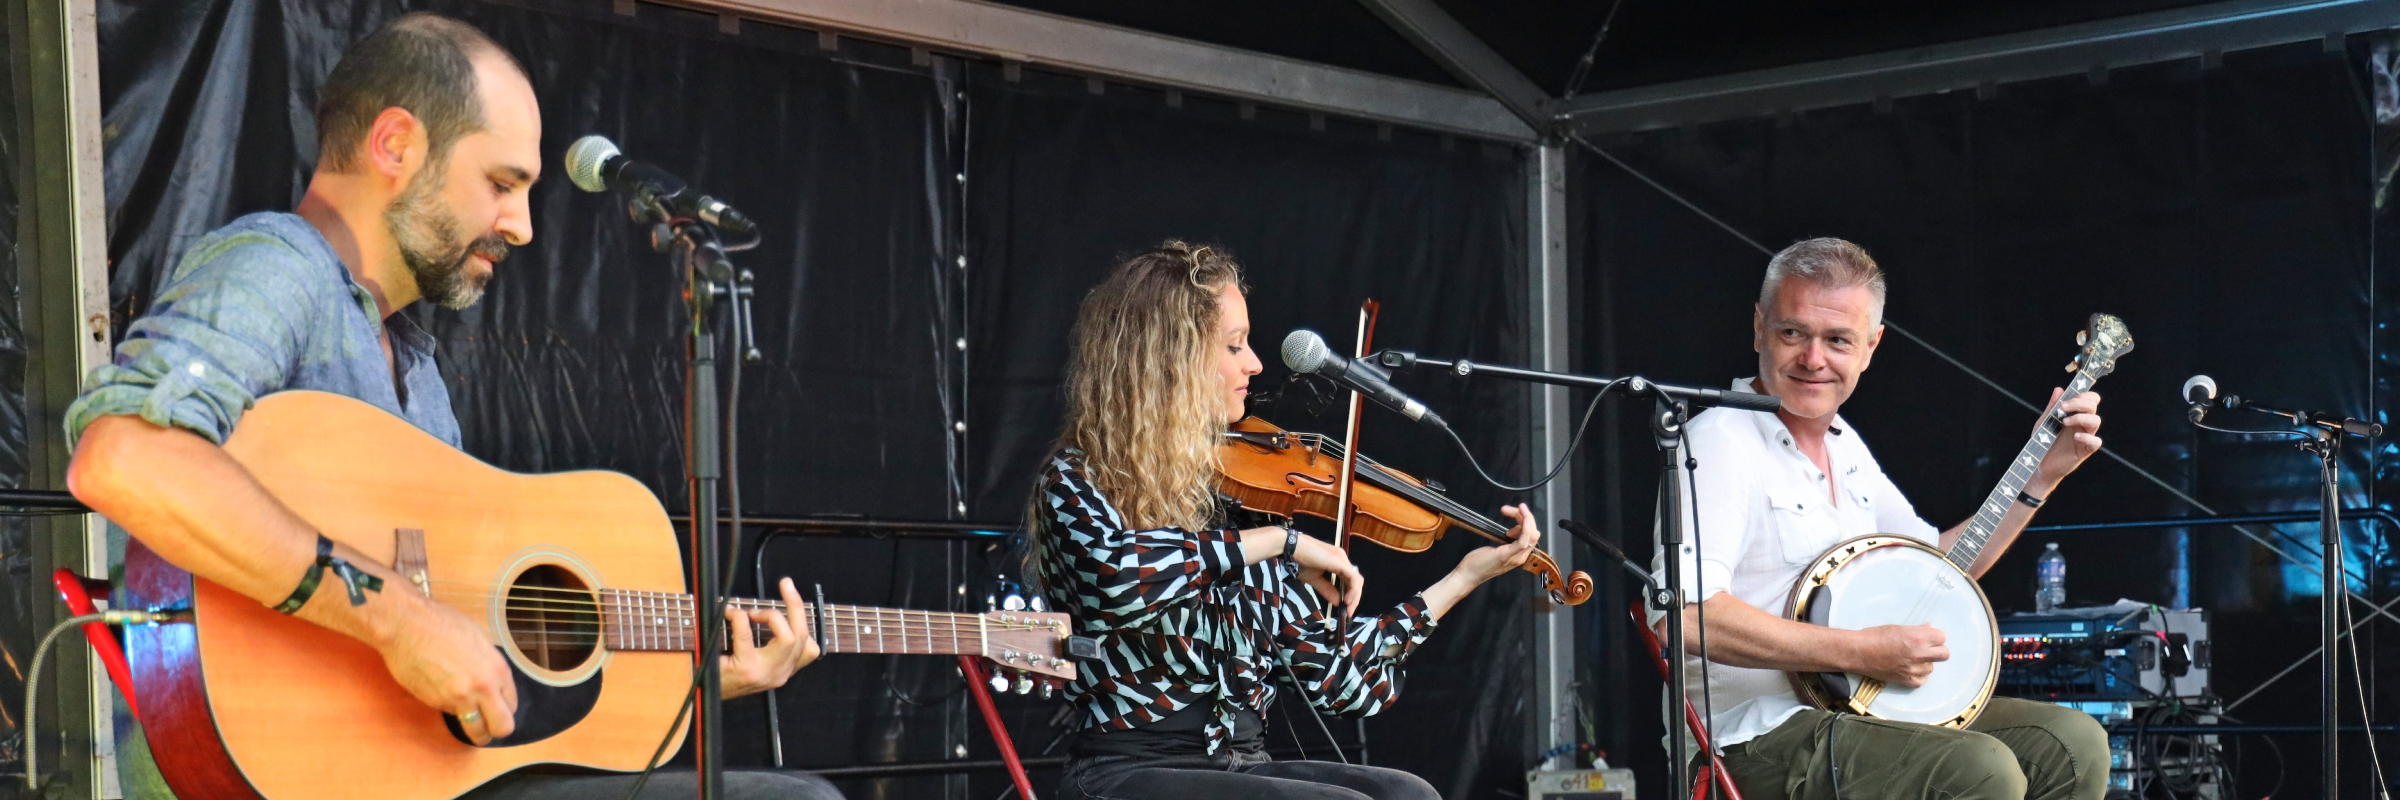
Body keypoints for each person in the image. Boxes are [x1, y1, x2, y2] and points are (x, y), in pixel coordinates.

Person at [63, 14, 840, 800]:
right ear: (396, 145)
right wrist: (399, 618)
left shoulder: (419, 371)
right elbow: (126, 456)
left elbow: (470, 659)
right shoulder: (277, 268)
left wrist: (700, 676)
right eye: (502, 184)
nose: (523, 228)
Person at [1032, 241, 1544, 800]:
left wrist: (1465, 577)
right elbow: (1121, 580)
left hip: (1242, 764)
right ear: (1168, 360)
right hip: (1124, 770)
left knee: (1409, 794)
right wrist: (1280, 540)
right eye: (1234, 346)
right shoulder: (1079, 479)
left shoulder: (1240, 494)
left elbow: (1348, 684)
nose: (1254, 363)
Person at [1653, 238, 2111, 800]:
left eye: (1838, 340)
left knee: (2071, 742)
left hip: (1859, 712)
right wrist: (1861, 652)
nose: (1813, 359)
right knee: (1982, 768)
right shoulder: (1719, 441)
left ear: (1871, 347)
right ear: (1758, 328)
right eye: (1792, 332)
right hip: (1750, 736)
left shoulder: (1844, 446)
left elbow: (1940, 563)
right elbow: (1686, 618)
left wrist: (2042, 476)